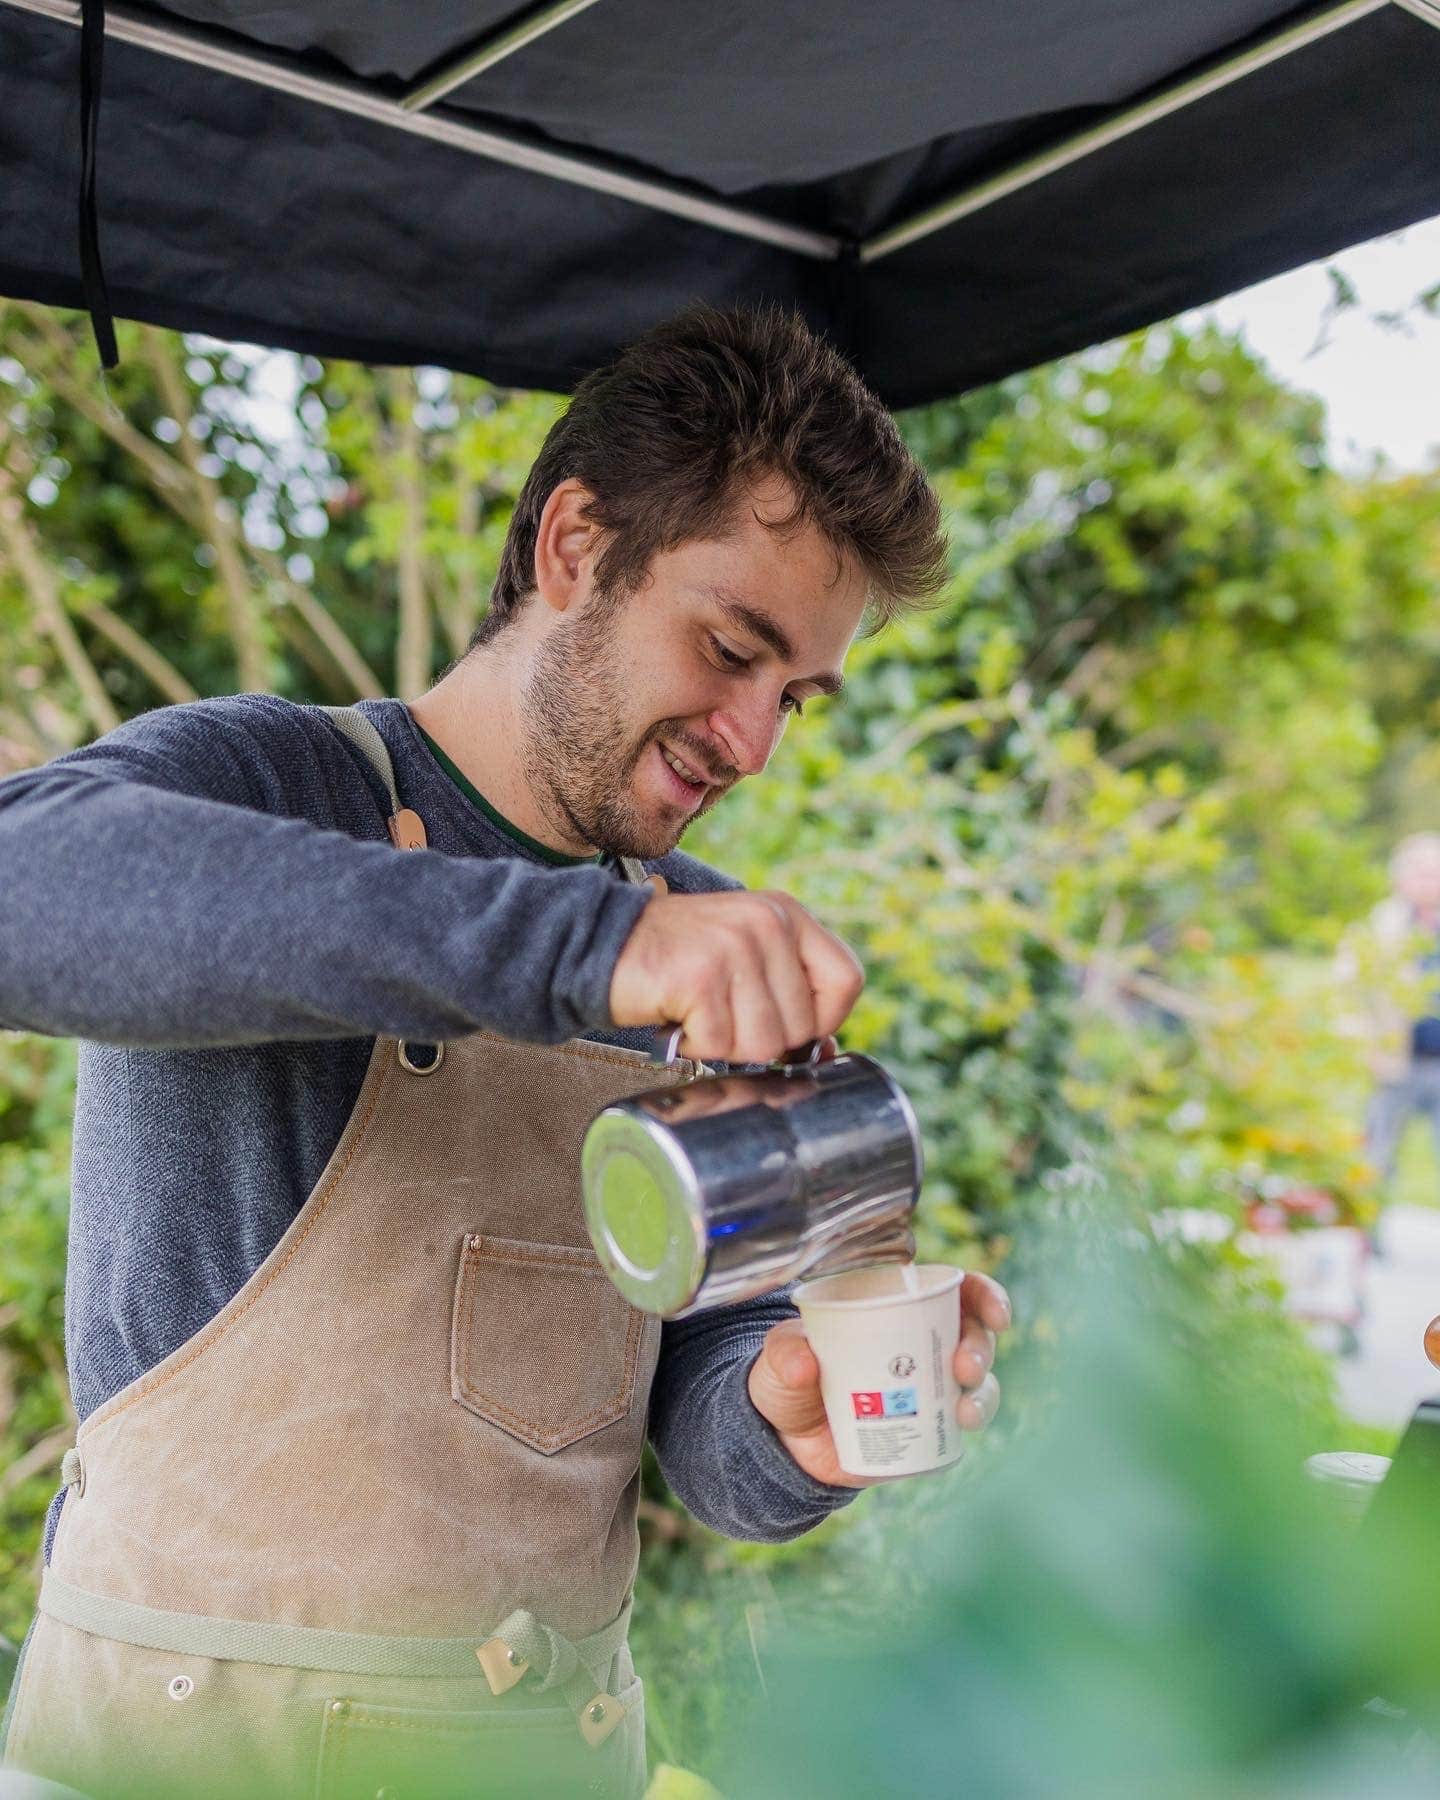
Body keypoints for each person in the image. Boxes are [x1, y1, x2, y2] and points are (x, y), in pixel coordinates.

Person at [0, 303, 1012, 1800]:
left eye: (794, 695)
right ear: (573, 547)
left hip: (551, 1752)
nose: (753, 742)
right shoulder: (270, 784)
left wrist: (785, 1419)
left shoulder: (701, 935)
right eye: (732, 650)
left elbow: (691, 1384)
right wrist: (585, 950)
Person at [1338, 832, 1440, 1209]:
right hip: (1394, 1062)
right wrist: (1363, 1045)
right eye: (1422, 872)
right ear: (1401, 878)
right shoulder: (1379, 927)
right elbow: (1348, 992)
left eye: (1436, 871)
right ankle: (1369, 1236)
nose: (1431, 880)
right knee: (1377, 1155)